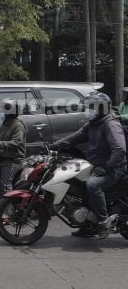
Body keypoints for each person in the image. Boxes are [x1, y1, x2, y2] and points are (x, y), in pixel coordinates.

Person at [50, 92, 126, 239]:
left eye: (92, 107)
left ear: (102, 108)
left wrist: (107, 168)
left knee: (93, 185)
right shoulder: (92, 124)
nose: (88, 110)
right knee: (76, 183)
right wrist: (54, 145)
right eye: (88, 106)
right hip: (96, 164)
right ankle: (87, 225)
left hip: (114, 168)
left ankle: (103, 222)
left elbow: (120, 149)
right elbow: (75, 137)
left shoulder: (110, 124)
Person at [0, 98, 26, 197]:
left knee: (5, 184)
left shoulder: (17, 125)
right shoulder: (5, 124)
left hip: (12, 160)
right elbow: (0, 138)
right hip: (2, 157)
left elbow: (15, 143)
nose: (0, 113)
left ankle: (7, 209)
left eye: (2, 111)